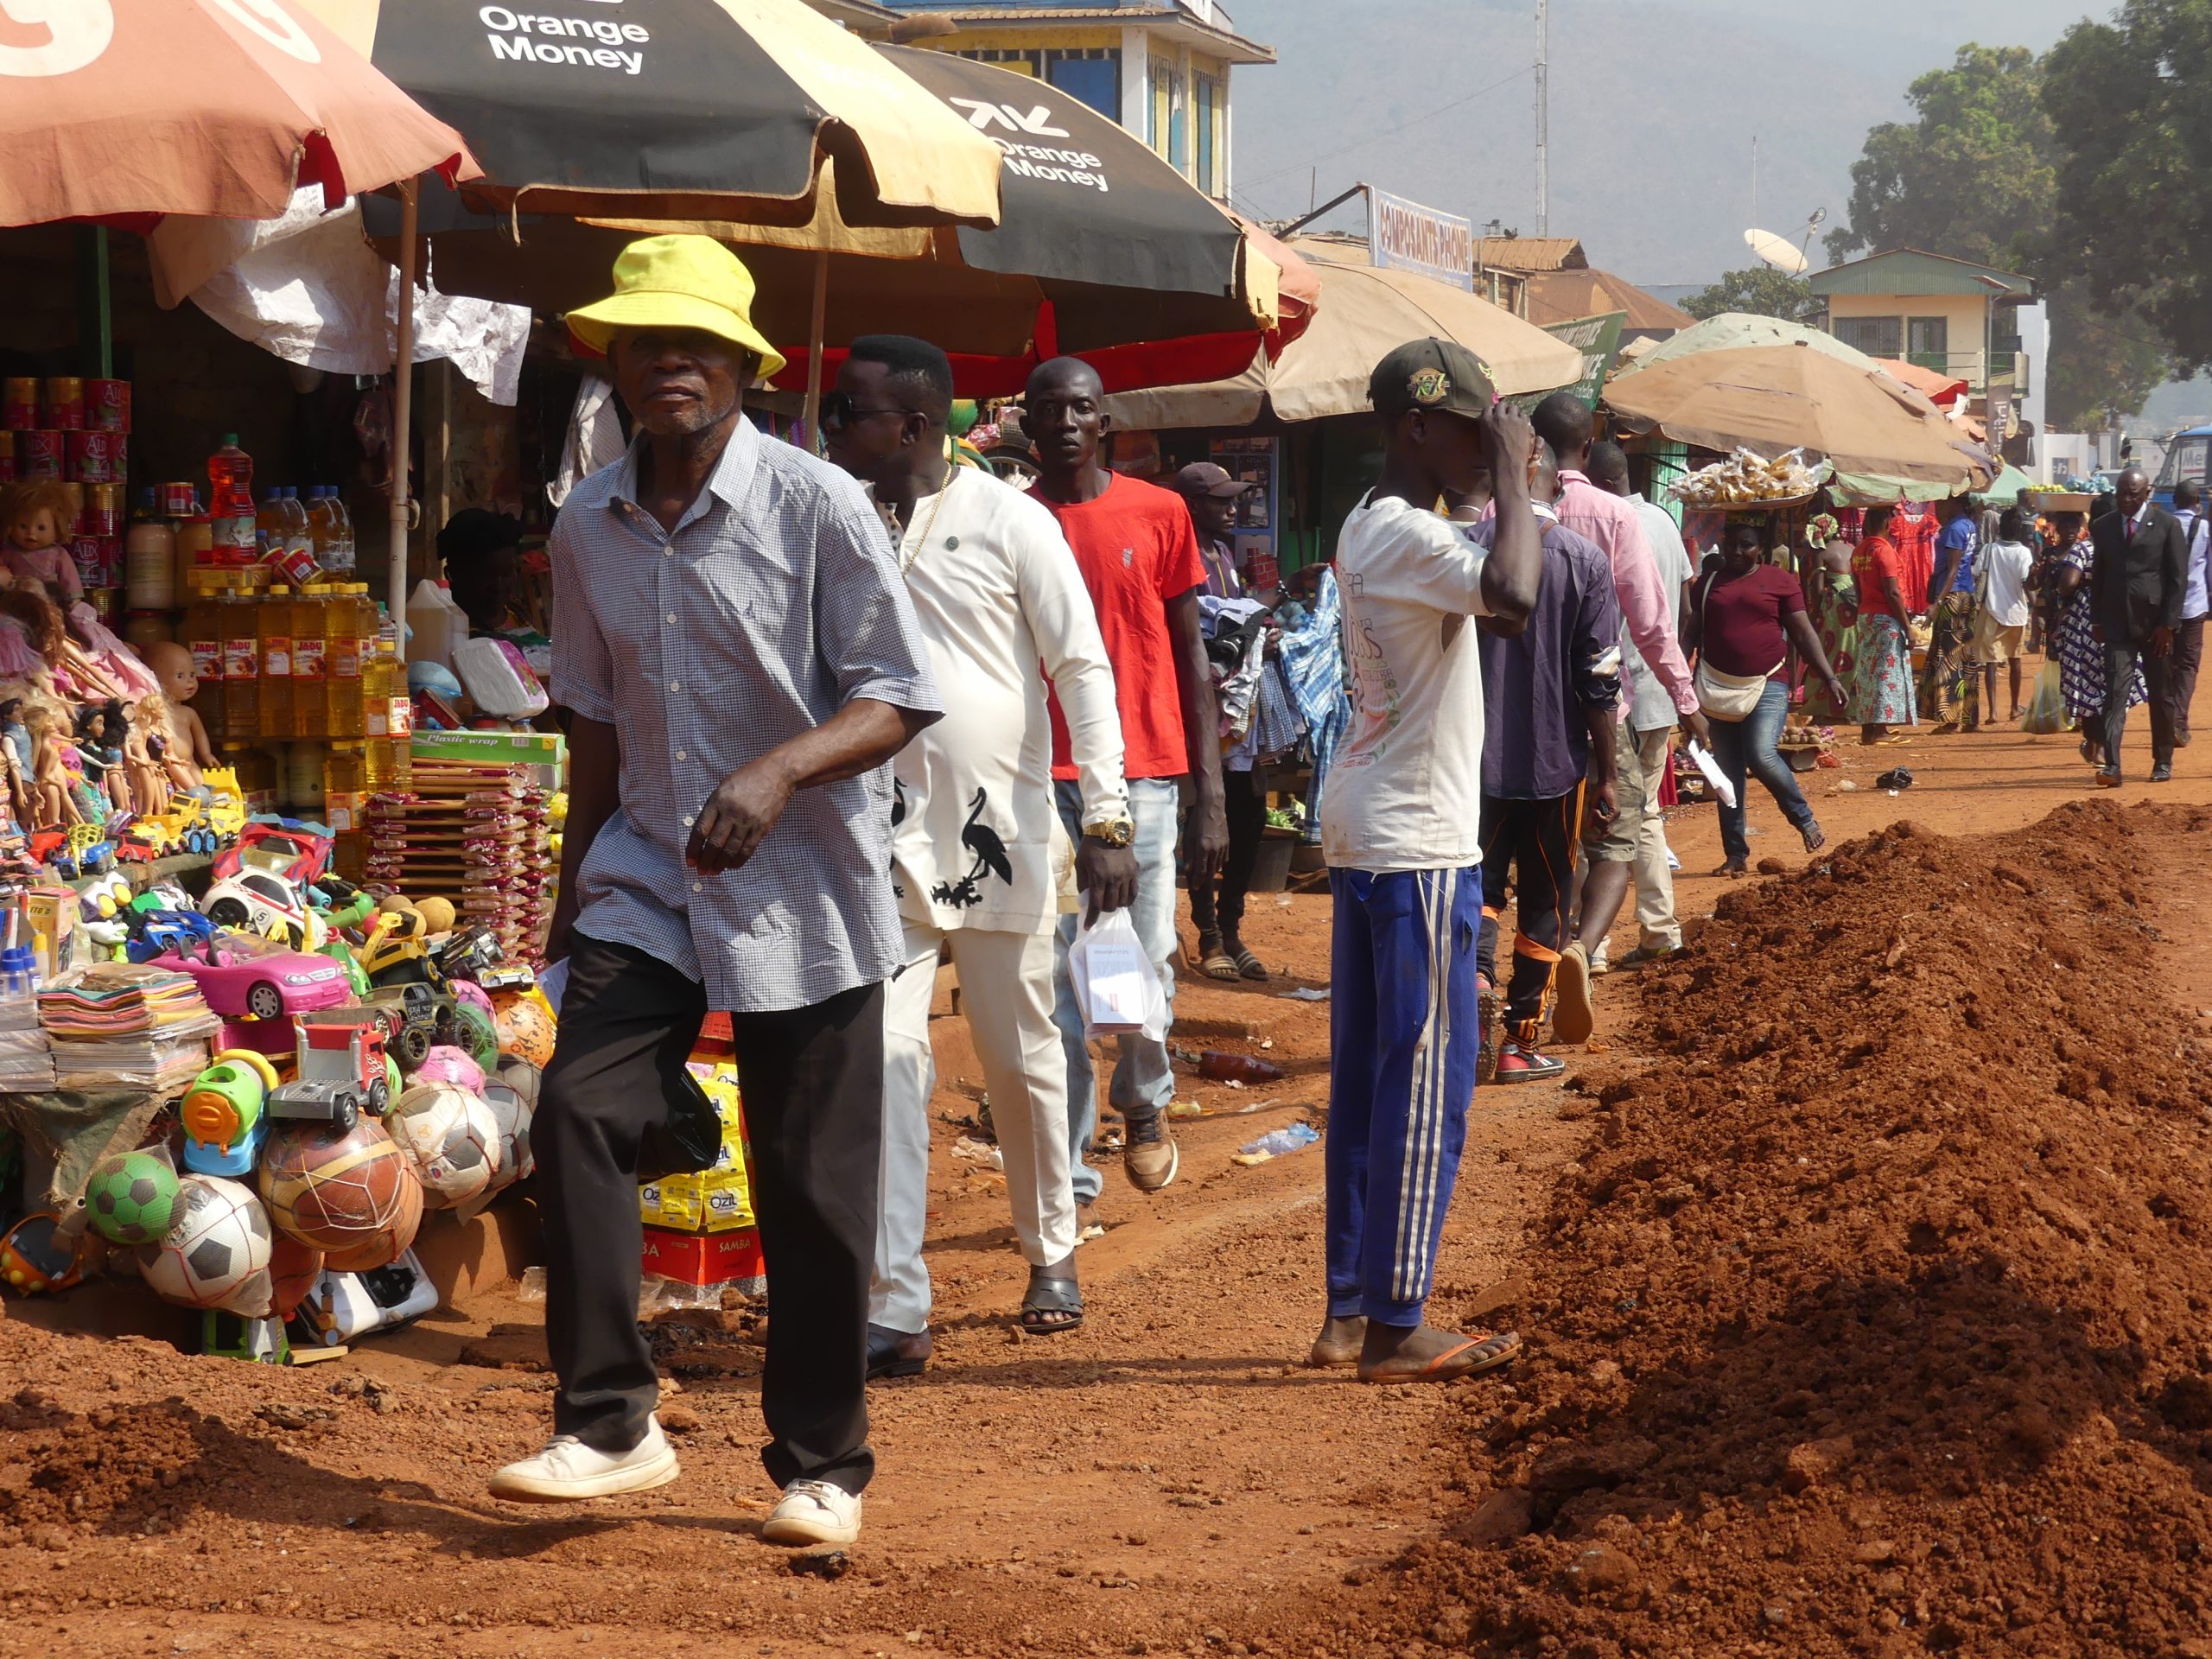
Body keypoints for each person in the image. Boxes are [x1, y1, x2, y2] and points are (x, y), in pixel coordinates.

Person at [498, 238, 944, 1552]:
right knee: (577, 1108)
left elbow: (898, 694)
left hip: (807, 886)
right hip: (645, 872)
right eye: (646, 344)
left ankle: (822, 1466)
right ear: (615, 364)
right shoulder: (586, 522)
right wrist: (569, 909)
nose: (670, 365)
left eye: (696, 345)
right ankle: (609, 1425)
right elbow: (589, 721)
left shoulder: (818, 504)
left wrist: (777, 770)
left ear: (745, 366)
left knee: (809, 1188)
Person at [823, 336, 1135, 1366]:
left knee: (1019, 1056)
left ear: (913, 426)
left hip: (997, 837)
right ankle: (894, 1302)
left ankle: (1052, 1246)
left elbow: (1081, 667)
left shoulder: (1011, 519)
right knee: (883, 1060)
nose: (832, 428)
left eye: (850, 411)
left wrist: (1107, 817)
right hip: (876, 838)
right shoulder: (839, 519)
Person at [1311, 337, 1541, 1383]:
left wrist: (1492, 481)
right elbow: (1516, 597)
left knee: (1368, 1080)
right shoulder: (1410, 535)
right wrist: (1516, 479)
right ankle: (1396, 1324)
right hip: (1416, 842)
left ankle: (1349, 1309)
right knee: (1425, 1084)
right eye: (1468, 431)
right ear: (1415, 426)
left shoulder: (1371, 522)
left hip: (1369, 825)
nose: (1483, 450)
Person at [1025, 358, 1227, 1224]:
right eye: (1050, 410)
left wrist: (1212, 792)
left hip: (1142, 770)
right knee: (1052, 984)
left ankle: (1143, 1100)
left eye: (1081, 408)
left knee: (1138, 959)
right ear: (1028, 423)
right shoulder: (1011, 518)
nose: (1066, 423)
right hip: (1037, 776)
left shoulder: (1160, 512)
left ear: (1102, 422)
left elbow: (1190, 653)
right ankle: (1068, 1172)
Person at [1522, 395, 1707, 1045]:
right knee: (1617, 841)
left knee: (1544, 849)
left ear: (1533, 441)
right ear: (1589, 442)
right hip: (1604, 712)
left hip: (1522, 717)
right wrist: (1687, 701)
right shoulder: (1615, 515)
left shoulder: (1497, 515)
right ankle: (1583, 947)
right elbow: (1653, 624)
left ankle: (1532, 972)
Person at [1475, 440, 1621, 1082]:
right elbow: (1600, 679)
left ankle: (1475, 985)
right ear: (1556, 487)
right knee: (1547, 897)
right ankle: (1517, 1041)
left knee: (1478, 891)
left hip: (1471, 763)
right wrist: (1608, 774)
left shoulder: (1465, 549)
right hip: (1556, 764)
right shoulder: (1583, 560)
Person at [1577, 440, 1690, 970]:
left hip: (1612, 699)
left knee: (1597, 820)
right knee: (1645, 814)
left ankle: (1591, 945)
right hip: (1659, 690)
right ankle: (1659, 930)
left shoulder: (1596, 518)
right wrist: (1683, 690)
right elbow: (1676, 611)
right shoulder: (1664, 522)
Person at [1685, 520, 1847, 875]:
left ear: (1761, 549)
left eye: (1746, 545)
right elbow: (1691, 633)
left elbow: (1803, 633)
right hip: (1717, 688)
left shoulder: (1780, 581)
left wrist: (1829, 677)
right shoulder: (1708, 583)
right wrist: (1679, 683)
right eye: (1731, 544)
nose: (1736, 552)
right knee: (1727, 776)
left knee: (1761, 754)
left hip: (1768, 682)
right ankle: (1735, 856)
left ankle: (1803, 819)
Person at [1174, 462, 1272, 983]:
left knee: (1250, 817)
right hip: (1201, 706)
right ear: (1192, 506)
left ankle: (1231, 927)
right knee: (1205, 819)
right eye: (1221, 500)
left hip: (1237, 711)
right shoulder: (1185, 555)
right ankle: (1209, 933)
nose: (1233, 508)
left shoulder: (1223, 554)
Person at [2089, 467, 2191, 785]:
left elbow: (2178, 579)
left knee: (2161, 695)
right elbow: (2099, 576)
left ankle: (2163, 760)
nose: (2125, 499)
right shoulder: (2104, 526)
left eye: (2132, 494)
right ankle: (2112, 766)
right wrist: (2096, 619)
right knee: (2115, 694)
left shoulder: (2167, 525)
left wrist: (2168, 624)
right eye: (2121, 493)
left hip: (2155, 627)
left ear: (2146, 493)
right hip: (2117, 624)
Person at [2052, 509, 2137, 768]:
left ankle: (2095, 745)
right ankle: (2100, 746)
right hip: (2120, 620)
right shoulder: (2126, 548)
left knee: (2087, 684)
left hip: (2085, 623)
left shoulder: (2083, 549)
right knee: (2113, 685)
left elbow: (2068, 583)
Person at [1849, 505, 1918, 745]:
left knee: (1867, 672)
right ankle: (1879, 729)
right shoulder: (1884, 551)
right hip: (1885, 618)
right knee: (1884, 672)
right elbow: (1893, 592)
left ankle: (1869, 729)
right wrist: (1907, 626)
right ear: (1887, 525)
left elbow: (1858, 590)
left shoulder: (1858, 551)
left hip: (1866, 616)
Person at [1970, 507, 2037, 722]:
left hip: (1991, 610)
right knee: (2015, 660)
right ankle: (2014, 707)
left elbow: (1976, 573)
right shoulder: (2024, 553)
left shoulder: (1989, 549)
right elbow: (2026, 581)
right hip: (2016, 613)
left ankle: (1992, 712)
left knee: (1990, 662)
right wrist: (2037, 605)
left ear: (2000, 528)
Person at [1921, 497, 1980, 731]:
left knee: (1949, 659)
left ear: (1955, 502)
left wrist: (1938, 602)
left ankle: (1951, 718)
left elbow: (1953, 569)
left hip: (1952, 597)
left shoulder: (1955, 529)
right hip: (1966, 595)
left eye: (1941, 503)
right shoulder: (1967, 525)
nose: (1938, 507)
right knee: (1966, 657)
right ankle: (1969, 717)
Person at [436, 507, 526, 636]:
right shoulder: (445, 631)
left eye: (506, 574)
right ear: (451, 575)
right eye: (485, 576)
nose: (498, 586)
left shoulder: (517, 613)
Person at [2165, 480, 2207, 747]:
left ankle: (2167, 718)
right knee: (2188, 665)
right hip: (2194, 605)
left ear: (2175, 500)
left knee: (2167, 663)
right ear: (2197, 502)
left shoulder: (2163, 526)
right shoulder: (2204, 528)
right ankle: (2178, 721)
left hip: (2166, 609)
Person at [1176, 461, 1255, 601]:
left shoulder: (1223, 550)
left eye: (1233, 501)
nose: (1233, 511)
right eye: (1223, 501)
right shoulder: (1181, 559)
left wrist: (1290, 584)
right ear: (1192, 505)